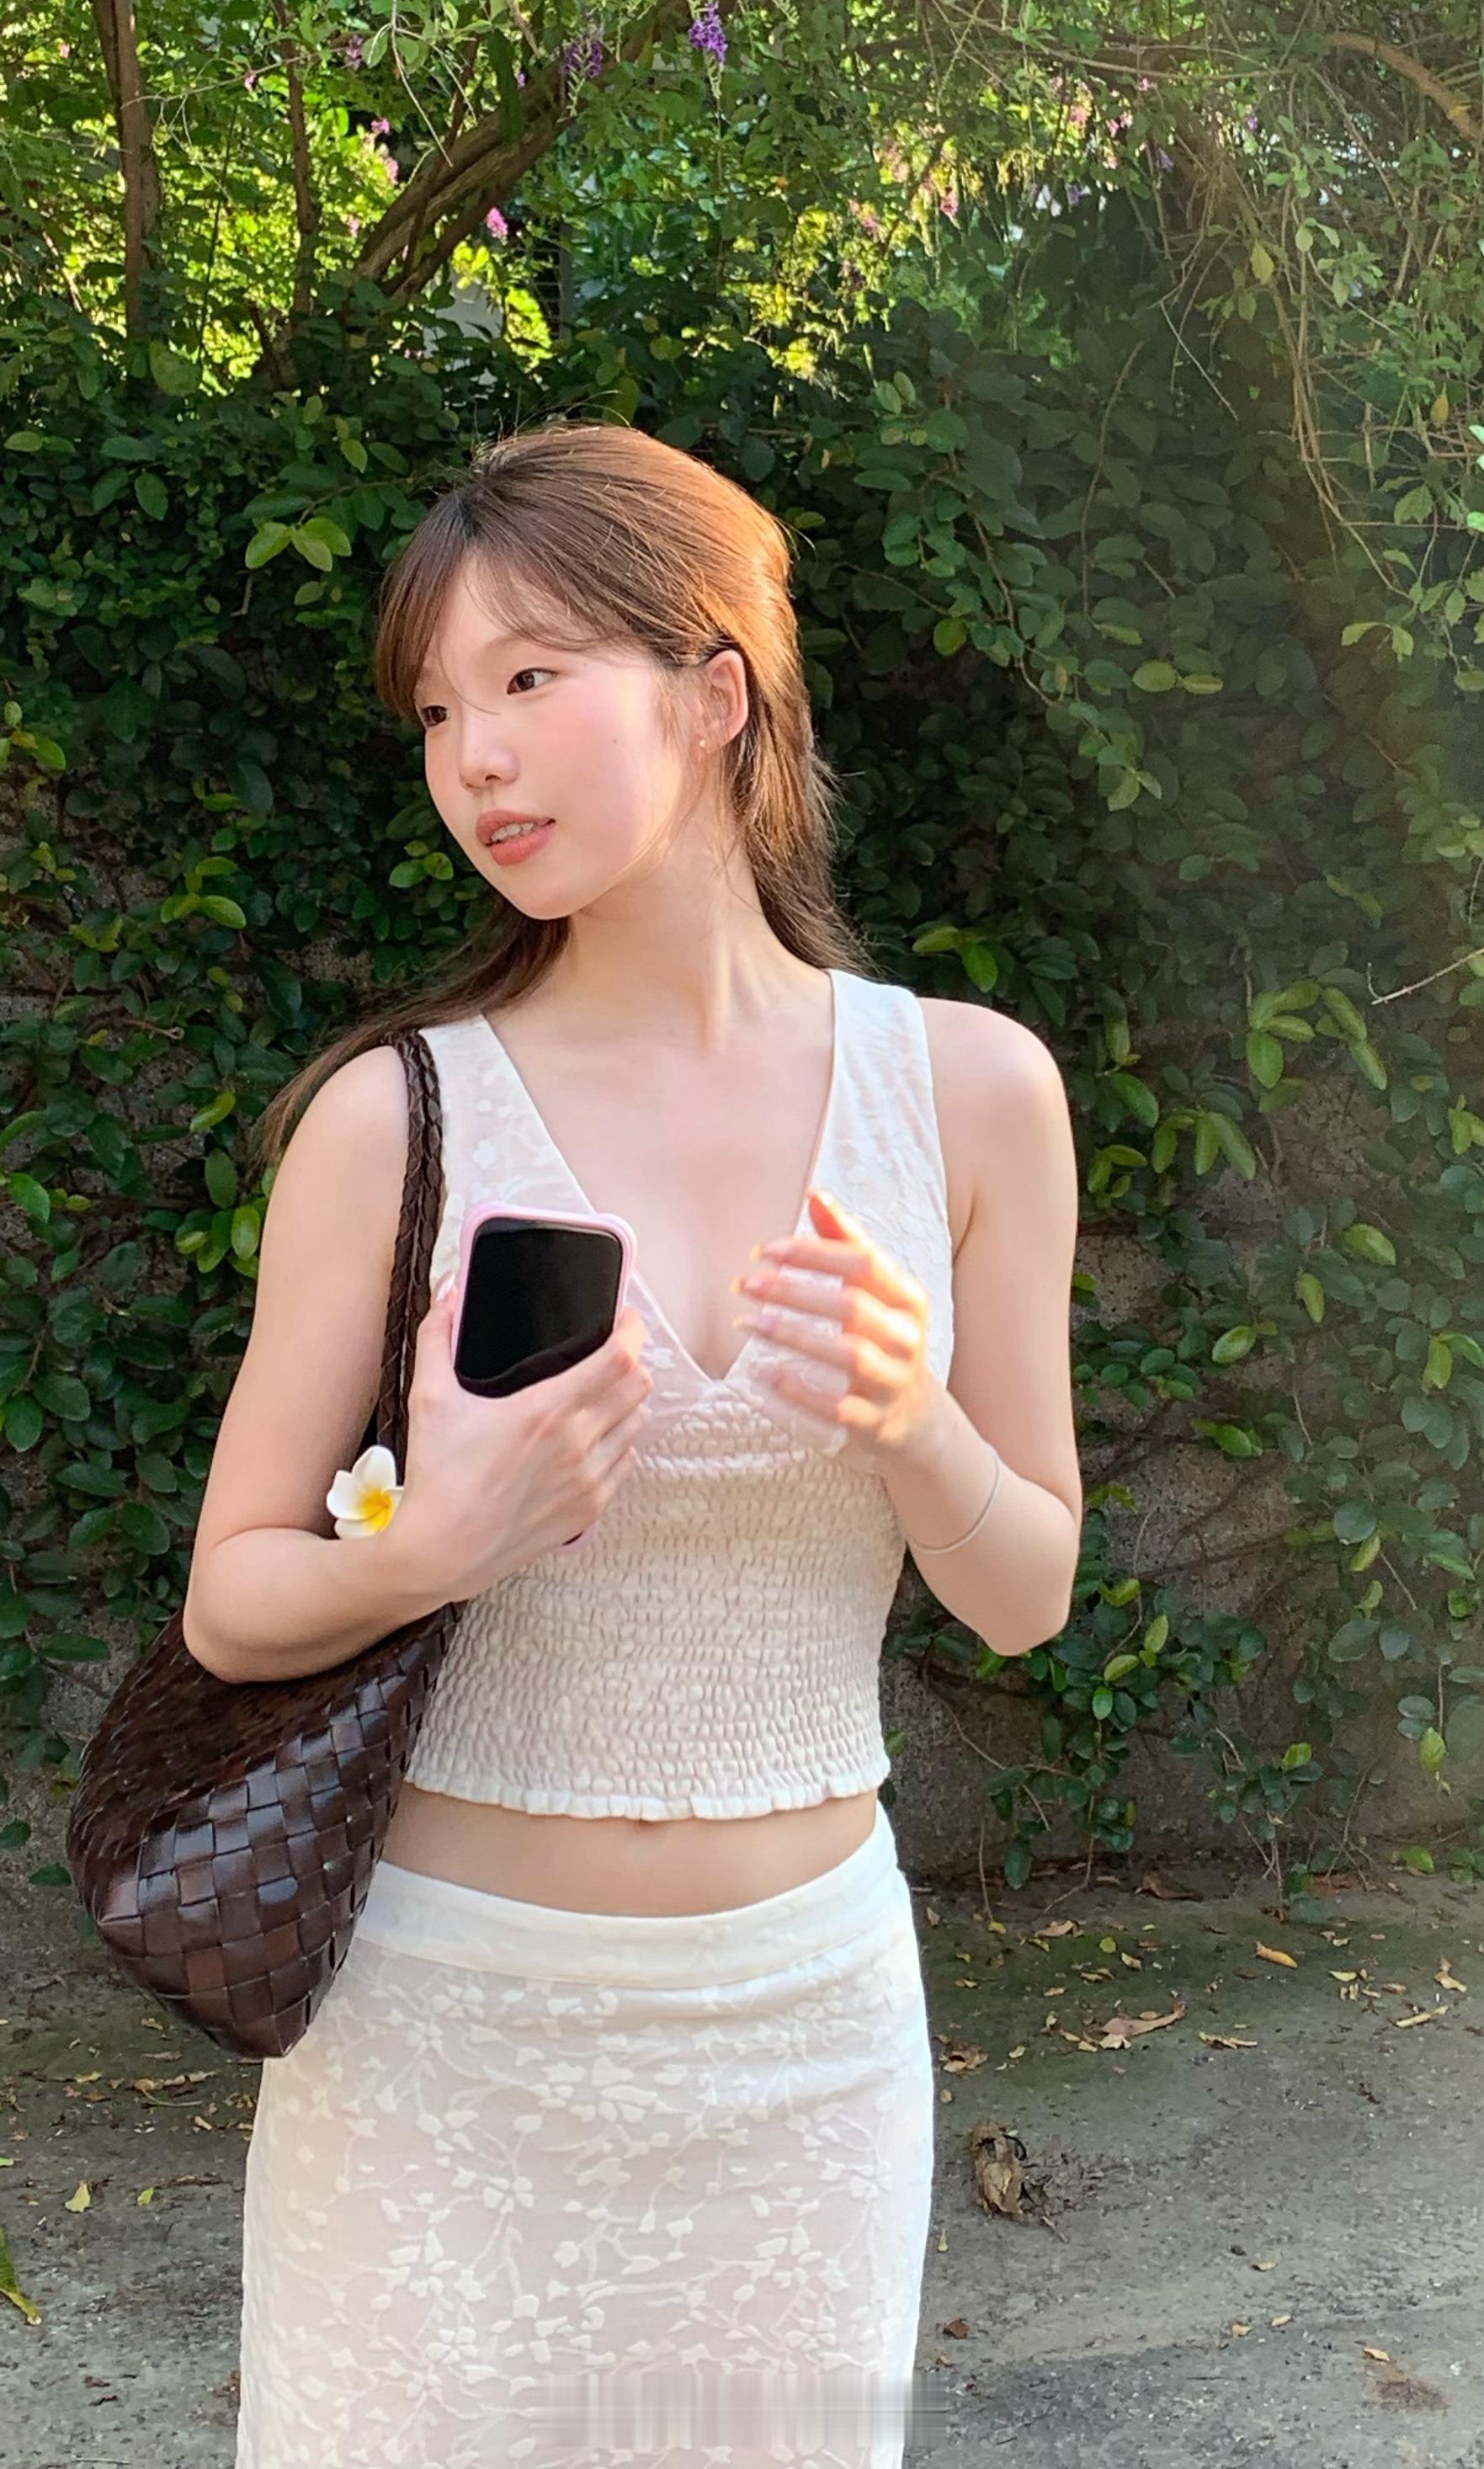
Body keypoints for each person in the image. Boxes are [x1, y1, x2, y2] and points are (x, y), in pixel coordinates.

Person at [183, 420, 1083, 2468]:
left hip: (802, 2043)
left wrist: (913, 1421)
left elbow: (1026, 1592)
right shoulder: (395, 1117)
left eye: (528, 678)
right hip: (442, 2036)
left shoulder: (970, 1097)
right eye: (438, 711)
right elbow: (234, 1603)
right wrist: (438, 1541)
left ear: (714, 690)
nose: (475, 759)